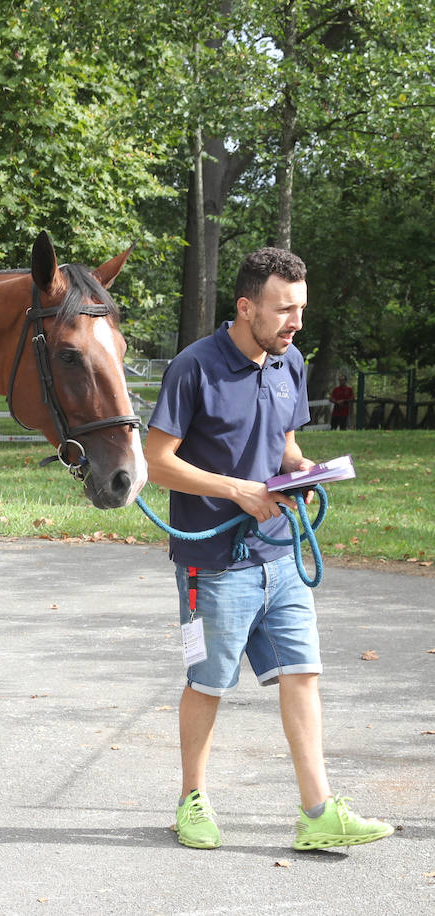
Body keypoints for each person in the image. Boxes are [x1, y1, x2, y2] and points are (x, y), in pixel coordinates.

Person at [144, 248, 392, 851]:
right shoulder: (193, 368)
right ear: (246, 306)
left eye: (301, 310)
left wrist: (302, 470)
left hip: (280, 556)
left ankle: (317, 812)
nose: (296, 323)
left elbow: (282, 438)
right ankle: (191, 800)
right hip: (215, 565)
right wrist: (239, 491)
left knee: (302, 674)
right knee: (208, 682)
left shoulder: (290, 362)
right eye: (285, 310)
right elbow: (158, 462)